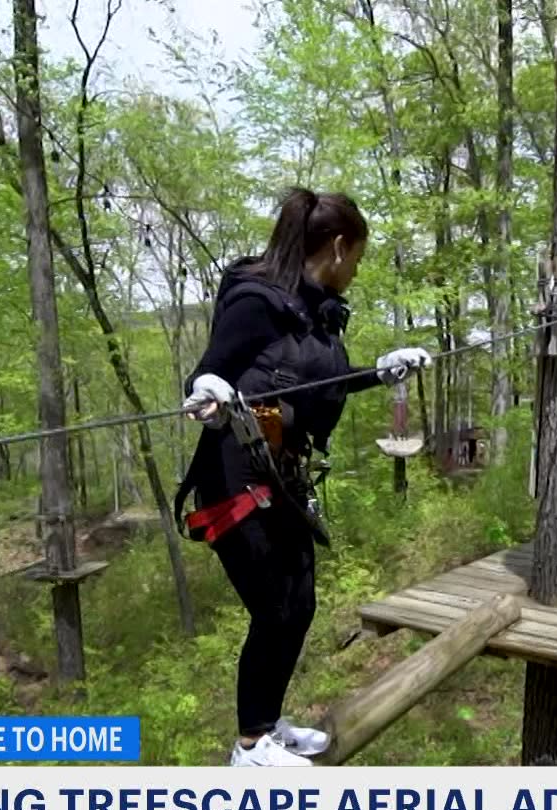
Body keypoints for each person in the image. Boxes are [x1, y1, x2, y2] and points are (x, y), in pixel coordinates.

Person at [177, 188, 432, 767]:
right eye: (358, 258)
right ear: (339, 248)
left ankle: (264, 725)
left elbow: (312, 385)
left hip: (283, 480)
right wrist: (208, 394)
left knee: (300, 603)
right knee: (273, 608)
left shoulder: (311, 311)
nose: (356, 271)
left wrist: (378, 371)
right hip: (235, 479)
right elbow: (204, 378)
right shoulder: (256, 301)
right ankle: (249, 748)